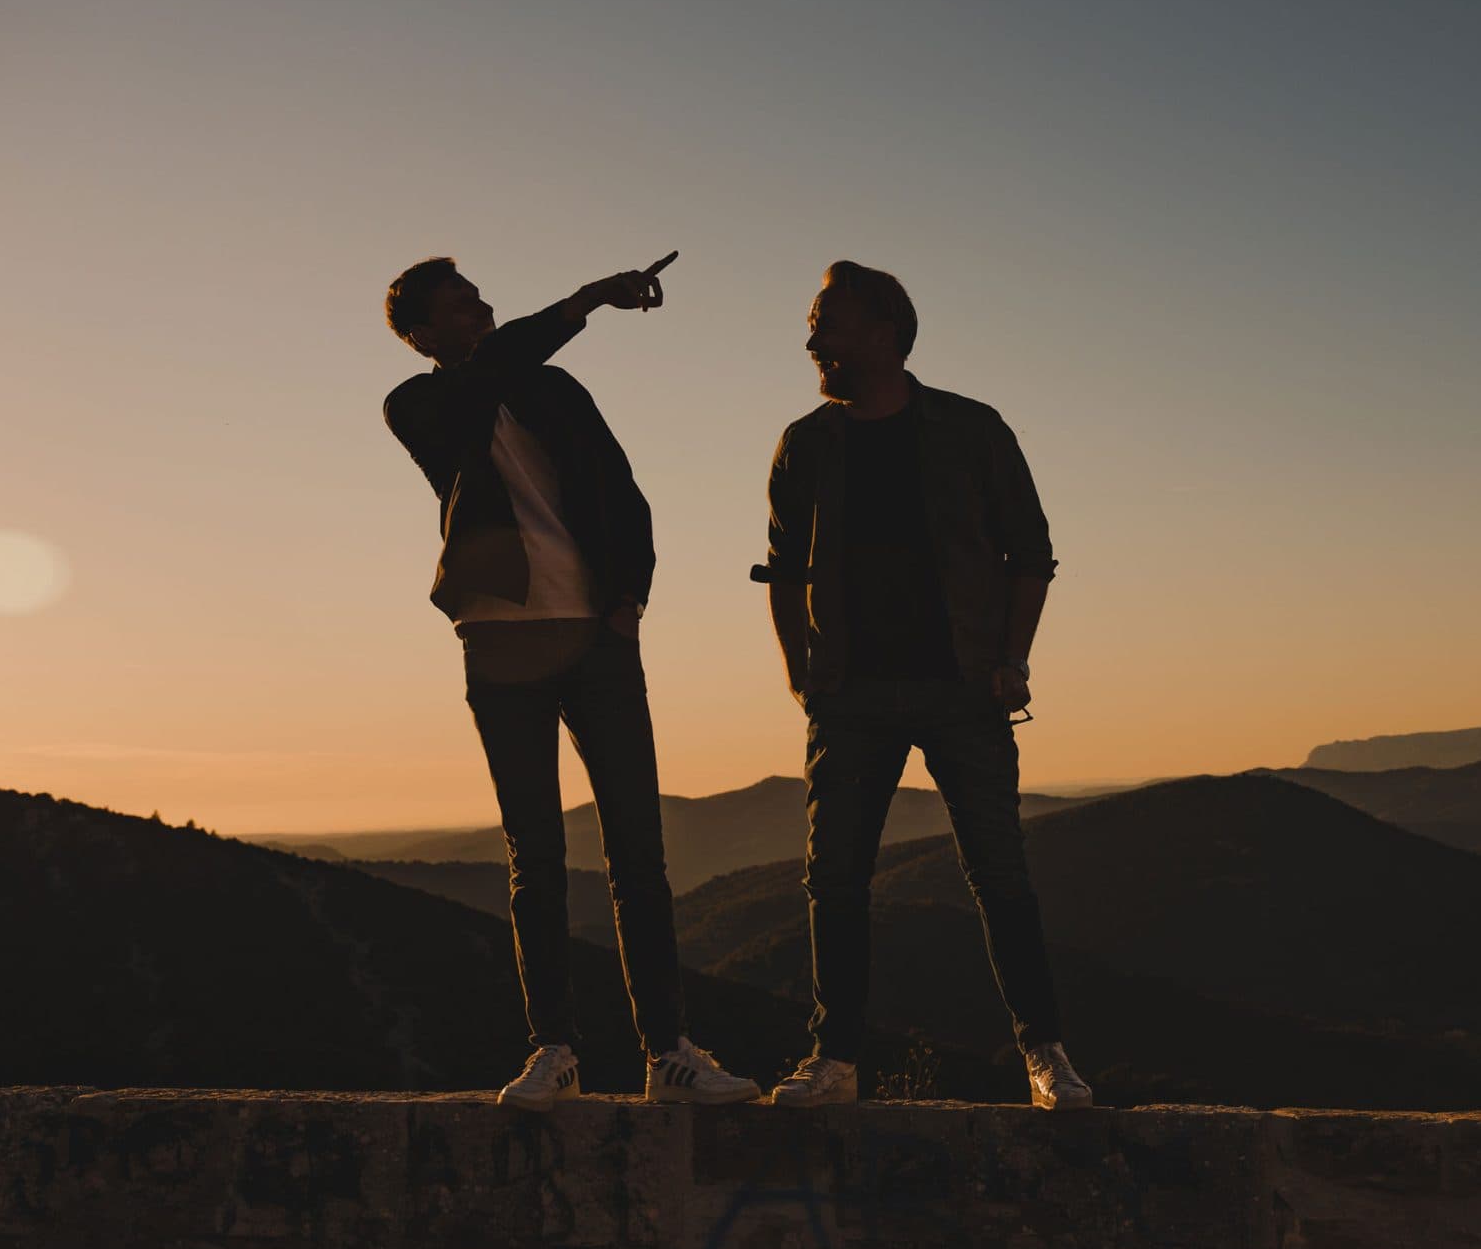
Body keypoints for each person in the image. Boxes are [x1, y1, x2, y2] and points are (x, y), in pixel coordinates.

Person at [382, 252, 758, 1111]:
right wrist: (587, 299)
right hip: (500, 643)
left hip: (598, 639)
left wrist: (629, 597)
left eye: (480, 292)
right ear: (422, 335)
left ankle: (669, 1052)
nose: (480, 304)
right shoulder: (420, 403)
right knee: (537, 857)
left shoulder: (557, 391)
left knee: (639, 852)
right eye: (460, 302)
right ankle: (554, 1048)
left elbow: (625, 492)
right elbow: (488, 377)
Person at [752, 261, 1092, 1110]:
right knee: (835, 878)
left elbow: (1031, 556)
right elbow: (785, 572)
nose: (811, 338)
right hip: (850, 695)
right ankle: (835, 1060)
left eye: (826, 320)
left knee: (999, 873)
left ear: (882, 331)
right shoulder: (807, 444)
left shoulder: (970, 430)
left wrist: (1011, 660)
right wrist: (802, 675)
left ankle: (1045, 1056)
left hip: (963, 688)